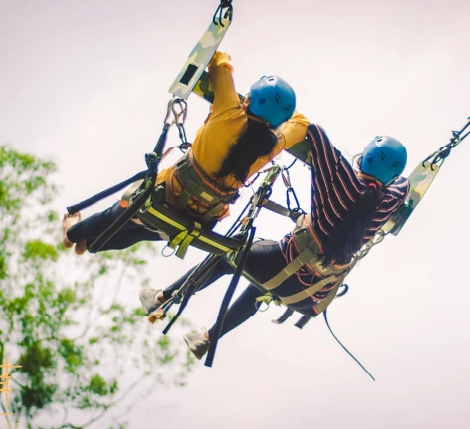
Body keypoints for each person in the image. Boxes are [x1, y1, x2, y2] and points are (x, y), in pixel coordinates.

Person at [139, 126, 410, 360]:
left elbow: (313, 131)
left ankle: (163, 299)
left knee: (228, 255)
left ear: (364, 158)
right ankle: (208, 338)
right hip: (308, 295)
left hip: (286, 265)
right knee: (263, 284)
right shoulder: (389, 200)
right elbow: (404, 184)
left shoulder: (340, 176)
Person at [62, 51, 310, 254]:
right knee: (136, 233)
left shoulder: (229, 113)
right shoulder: (271, 147)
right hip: (193, 221)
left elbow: (219, 63)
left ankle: (71, 232)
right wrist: (281, 119)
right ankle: (91, 245)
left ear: (247, 101)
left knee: (115, 215)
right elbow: (302, 125)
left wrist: (229, 74)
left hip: (162, 198)